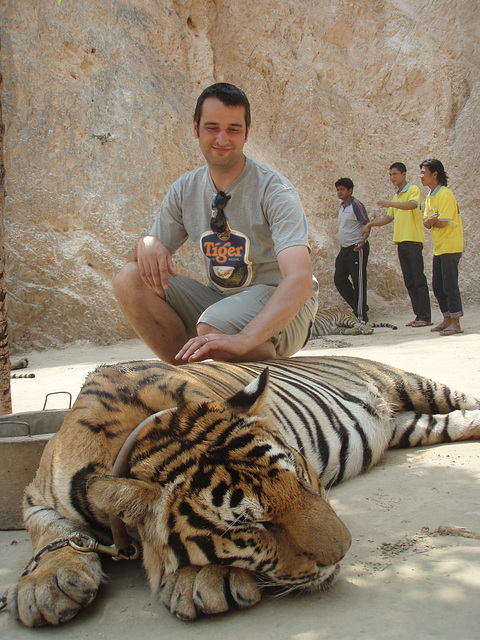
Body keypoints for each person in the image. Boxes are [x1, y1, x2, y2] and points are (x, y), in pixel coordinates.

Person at [114, 82, 318, 365]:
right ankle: (190, 373)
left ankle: (258, 350)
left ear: (247, 133)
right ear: (196, 129)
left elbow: (300, 280)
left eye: (234, 129)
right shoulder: (186, 189)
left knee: (214, 329)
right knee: (129, 278)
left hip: (283, 306)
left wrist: (243, 339)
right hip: (221, 301)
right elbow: (144, 262)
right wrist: (146, 243)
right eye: (212, 128)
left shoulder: (275, 191)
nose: (222, 138)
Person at [362, 162, 432, 327]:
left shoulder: (412, 190)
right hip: (401, 242)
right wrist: (370, 224)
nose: (392, 178)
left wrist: (391, 204)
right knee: (409, 281)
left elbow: (413, 205)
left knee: (418, 279)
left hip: (413, 241)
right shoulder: (396, 196)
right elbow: (389, 218)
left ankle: (425, 316)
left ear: (404, 174)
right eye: (390, 175)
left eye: (395, 174)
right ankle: (419, 316)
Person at [420, 158, 464, 335]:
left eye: (424, 172)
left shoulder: (445, 194)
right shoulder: (431, 196)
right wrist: (430, 221)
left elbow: (443, 222)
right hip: (440, 247)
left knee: (449, 285)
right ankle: (447, 318)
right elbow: (426, 221)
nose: (421, 176)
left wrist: (431, 222)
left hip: (450, 246)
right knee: (438, 285)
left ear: (435, 174)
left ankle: (456, 322)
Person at [333, 178, 369, 322]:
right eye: (338, 189)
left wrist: (363, 240)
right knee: (339, 279)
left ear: (350, 190)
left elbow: (366, 223)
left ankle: (361, 316)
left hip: (356, 247)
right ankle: (360, 307)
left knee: (358, 281)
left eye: (342, 189)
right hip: (345, 249)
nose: (339, 192)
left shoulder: (356, 205)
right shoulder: (342, 206)